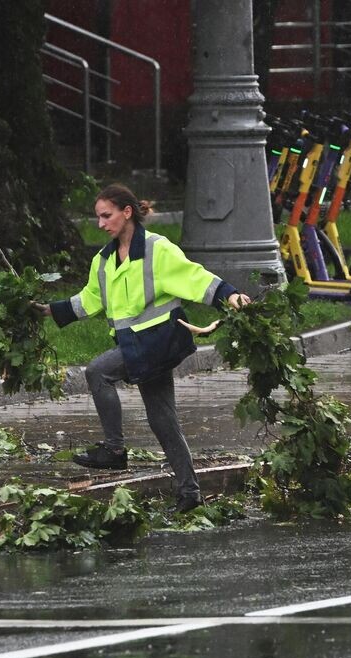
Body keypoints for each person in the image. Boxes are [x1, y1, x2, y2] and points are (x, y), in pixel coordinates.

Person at [34, 183, 249, 513]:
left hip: (157, 343)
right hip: (138, 348)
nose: (101, 224)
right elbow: (89, 300)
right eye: (98, 218)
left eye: (107, 216)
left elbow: (194, 277)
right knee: (163, 421)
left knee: (97, 372)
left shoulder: (156, 250)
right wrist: (49, 310)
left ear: (127, 212)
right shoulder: (103, 261)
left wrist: (229, 295)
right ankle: (189, 494)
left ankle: (115, 450)